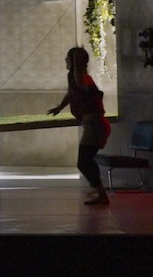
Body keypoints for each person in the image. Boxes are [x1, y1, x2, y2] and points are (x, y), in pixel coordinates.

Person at [48, 46, 112, 205]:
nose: (65, 60)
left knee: (84, 161)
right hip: (92, 125)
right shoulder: (78, 80)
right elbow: (71, 94)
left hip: (95, 126)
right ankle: (97, 189)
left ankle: (101, 193)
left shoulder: (84, 79)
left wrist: (77, 59)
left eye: (68, 58)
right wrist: (59, 108)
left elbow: (77, 83)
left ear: (75, 62)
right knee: (86, 160)